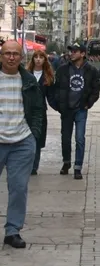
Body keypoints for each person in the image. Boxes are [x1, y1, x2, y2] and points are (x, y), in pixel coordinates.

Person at [0, 40, 45, 249]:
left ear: (21, 57)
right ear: (1, 56)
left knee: (18, 188)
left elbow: (38, 111)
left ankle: (12, 231)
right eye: (7, 53)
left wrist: (33, 135)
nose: (11, 57)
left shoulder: (28, 81)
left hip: (21, 142)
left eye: (15, 54)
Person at [54, 43, 100, 180]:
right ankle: (66, 162)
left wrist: (88, 103)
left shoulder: (91, 70)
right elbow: (57, 89)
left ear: (82, 54)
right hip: (67, 110)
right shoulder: (63, 69)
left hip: (81, 109)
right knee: (65, 138)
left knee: (80, 139)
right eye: (71, 51)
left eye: (75, 51)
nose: (72, 53)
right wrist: (59, 105)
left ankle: (78, 167)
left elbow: (96, 89)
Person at [26, 50, 58, 175]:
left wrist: (60, 108)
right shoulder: (26, 74)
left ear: (45, 60)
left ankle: (34, 166)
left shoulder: (47, 76)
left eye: (41, 57)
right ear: (33, 59)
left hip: (40, 112)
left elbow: (51, 97)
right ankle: (26, 164)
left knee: (37, 138)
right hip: (26, 110)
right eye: (36, 57)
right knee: (26, 138)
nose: (38, 59)